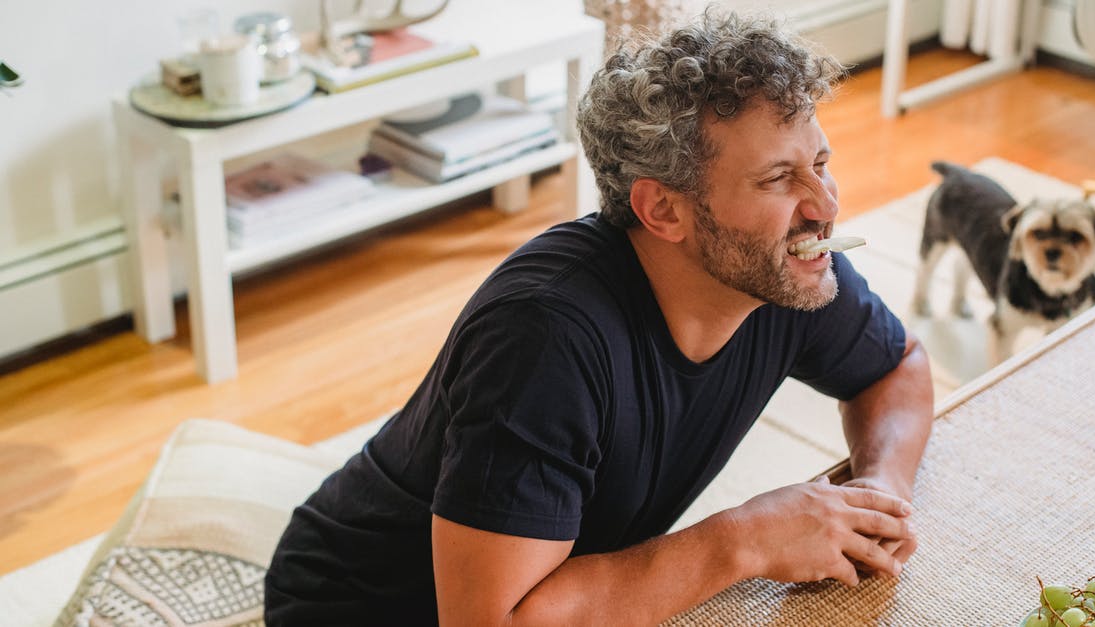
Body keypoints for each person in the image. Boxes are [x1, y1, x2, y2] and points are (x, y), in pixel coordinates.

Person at [265, 10, 934, 626]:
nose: (823, 204)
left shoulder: (781, 273)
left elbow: (900, 365)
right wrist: (746, 538)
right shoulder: (543, 338)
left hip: (553, 581)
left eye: (820, 163)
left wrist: (882, 491)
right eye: (777, 178)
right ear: (663, 210)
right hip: (363, 605)